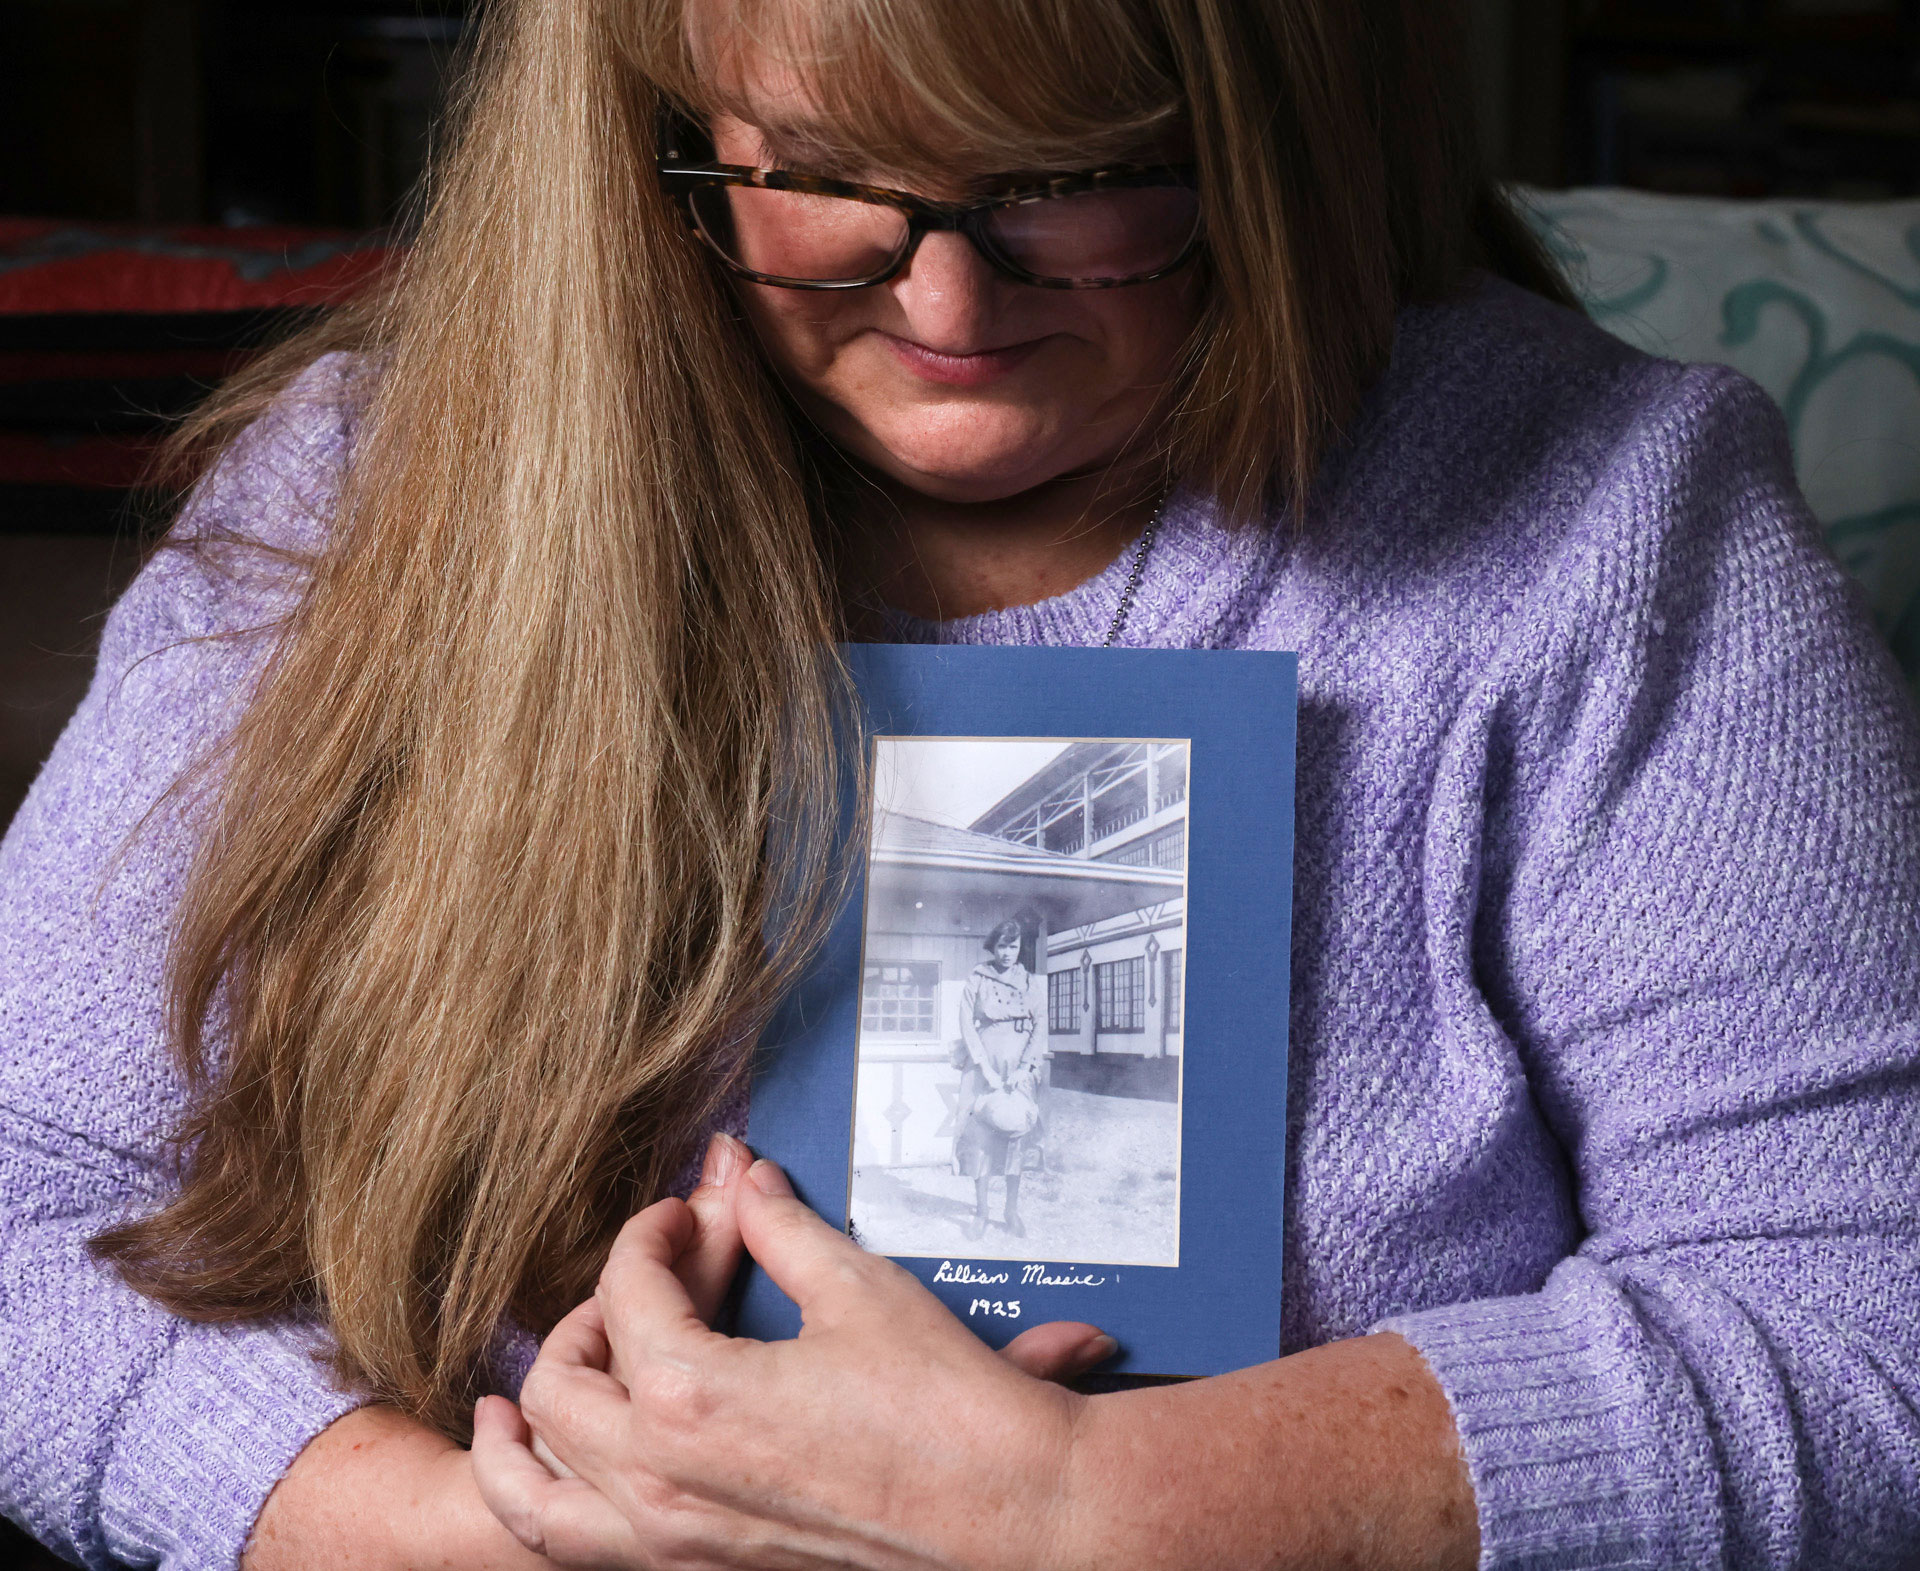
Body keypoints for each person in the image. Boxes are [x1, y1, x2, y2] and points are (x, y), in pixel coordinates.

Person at [1, 0, 1917, 1565]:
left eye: (1073, 189)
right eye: (823, 182)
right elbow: (25, 1204)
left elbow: (1865, 1319)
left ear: (1265, 135)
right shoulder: (360, 499)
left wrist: (1096, 1506)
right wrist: (432, 1528)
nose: (947, 311)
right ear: (651, 137)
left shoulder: (1611, 518)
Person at [951, 919, 1047, 1240]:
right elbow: (966, 1023)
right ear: (994, 947)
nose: (1008, 953)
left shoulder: (1030, 982)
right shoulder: (979, 977)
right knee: (981, 1135)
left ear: (1021, 949)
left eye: (1014, 946)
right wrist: (984, 1069)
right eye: (1003, 946)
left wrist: (1026, 1067)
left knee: (1016, 1132)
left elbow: (1040, 1026)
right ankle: (981, 1211)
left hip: (1020, 1064)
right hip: (985, 1062)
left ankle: (1011, 1209)